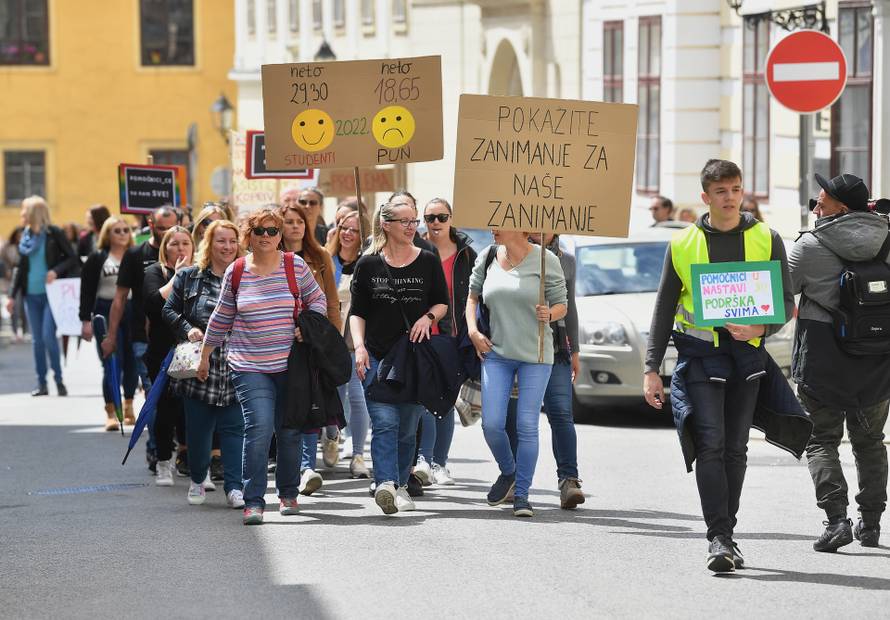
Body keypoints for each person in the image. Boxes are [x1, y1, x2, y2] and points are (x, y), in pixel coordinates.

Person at [643, 159, 804, 573]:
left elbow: (786, 302)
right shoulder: (683, 243)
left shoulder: (766, 238)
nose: (730, 198)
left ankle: (726, 533)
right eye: (721, 191)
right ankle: (718, 536)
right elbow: (663, 308)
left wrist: (759, 326)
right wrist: (651, 368)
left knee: (735, 448)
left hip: (747, 360)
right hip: (700, 358)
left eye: (735, 189)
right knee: (710, 444)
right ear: (705, 197)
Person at [201, 207, 327, 525]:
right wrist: (204, 355)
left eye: (273, 231)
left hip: (291, 365)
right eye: (261, 231)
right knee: (258, 429)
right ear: (250, 236)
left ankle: (287, 494)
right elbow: (221, 317)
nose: (267, 237)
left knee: (289, 432)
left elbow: (318, 300)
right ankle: (254, 501)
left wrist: (308, 326)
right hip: (248, 364)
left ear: (280, 235)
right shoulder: (238, 271)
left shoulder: (294, 265)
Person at [789, 172, 890, 551]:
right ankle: (872, 525)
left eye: (822, 202)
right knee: (870, 442)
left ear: (841, 209)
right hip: (877, 361)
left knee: (820, 441)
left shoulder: (809, 246)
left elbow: (781, 295)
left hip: (823, 363)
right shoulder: (888, 239)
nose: (815, 207)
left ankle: (836, 521)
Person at [350, 200, 449, 515]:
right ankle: (386, 484)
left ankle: (402, 484)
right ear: (386, 225)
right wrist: (360, 347)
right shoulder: (368, 265)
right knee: (385, 421)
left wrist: (428, 318)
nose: (412, 227)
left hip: (415, 357)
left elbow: (442, 303)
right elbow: (357, 312)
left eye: (414, 221)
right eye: (405, 221)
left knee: (408, 425)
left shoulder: (428, 261)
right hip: (378, 355)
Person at [465, 229, 567, 518]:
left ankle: (522, 494)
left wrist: (551, 313)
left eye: (499, 222)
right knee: (492, 424)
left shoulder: (546, 260)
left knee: (526, 425)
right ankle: (508, 471)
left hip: (535, 355)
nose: (492, 228)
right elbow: (472, 298)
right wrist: (473, 331)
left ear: (521, 227)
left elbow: (563, 304)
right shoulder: (487, 257)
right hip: (497, 353)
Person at [164, 220, 246, 508]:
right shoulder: (189, 276)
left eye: (232, 241)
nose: (227, 247)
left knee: (235, 428)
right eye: (221, 241)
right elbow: (168, 309)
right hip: (202, 361)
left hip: (238, 361)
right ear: (209, 244)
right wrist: (188, 329)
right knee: (199, 429)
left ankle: (235, 487)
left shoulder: (246, 275)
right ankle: (198, 479)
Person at [505, 233, 583, 509]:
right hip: (517, 346)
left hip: (556, 347)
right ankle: (514, 479)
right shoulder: (507, 253)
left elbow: (570, 307)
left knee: (561, 412)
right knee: (518, 416)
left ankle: (569, 479)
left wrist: (575, 350)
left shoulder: (567, 261)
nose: (540, 227)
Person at [101, 206, 179, 471]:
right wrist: (111, 335)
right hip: (142, 336)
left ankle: (170, 448)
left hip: (179, 338)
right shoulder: (136, 254)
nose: (167, 234)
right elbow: (120, 297)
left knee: (174, 400)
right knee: (154, 394)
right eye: (161, 228)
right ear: (149, 223)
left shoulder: (187, 252)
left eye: (172, 227)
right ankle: (158, 451)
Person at [414, 197, 477, 486]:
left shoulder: (467, 254)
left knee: (446, 401)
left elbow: (477, 297)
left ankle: (440, 463)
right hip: (422, 334)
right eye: (430, 218)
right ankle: (424, 460)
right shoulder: (415, 249)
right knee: (425, 400)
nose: (436, 223)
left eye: (441, 217)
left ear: (452, 218)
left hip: (453, 335)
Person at [279, 202, 341, 494]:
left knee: (312, 401)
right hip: (277, 342)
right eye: (288, 221)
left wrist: (332, 338)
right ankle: (298, 466)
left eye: (299, 222)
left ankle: (307, 466)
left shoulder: (320, 257)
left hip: (312, 341)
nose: (294, 227)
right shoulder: (268, 258)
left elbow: (330, 301)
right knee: (292, 407)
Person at [7, 196, 78, 396]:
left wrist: (55, 270)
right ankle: (42, 383)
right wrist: (12, 297)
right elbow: (19, 269)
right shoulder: (26, 235)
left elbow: (72, 258)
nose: (21, 214)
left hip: (52, 294)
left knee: (48, 336)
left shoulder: (54, 233)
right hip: (30, 295)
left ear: (34, 213)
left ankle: (59, 380)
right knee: (37, 340)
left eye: (24, 210)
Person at [144, 226, 194, 486]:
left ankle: (195, 463)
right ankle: (163, 461)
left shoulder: (202, 273)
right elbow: (152, 304)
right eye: (174, 244)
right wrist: (177, 277)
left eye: (185, 243)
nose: (180, 248)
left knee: (193, 409)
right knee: (166, 408)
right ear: (165, 248)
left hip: (194, 351)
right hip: (163, 353)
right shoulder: (154, 272)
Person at [325, 202, 372, 478]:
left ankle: (358, 455)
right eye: (344, 228)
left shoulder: (368, 262)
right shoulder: (326, 259)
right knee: (333, 397)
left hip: (357, 341)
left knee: (358, 398)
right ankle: (331, 437)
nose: (348, 233)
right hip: (330, 340)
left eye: (355, 230)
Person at [79, 216, 138, 430]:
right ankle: (111, 411)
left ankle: (129, 404)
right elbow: (86, 291)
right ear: (107, 234)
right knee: (112, 361)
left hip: (131, 310)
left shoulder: (135, 255)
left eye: (125, 230)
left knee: (132, 362)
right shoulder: (97, 257)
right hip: (104, 310)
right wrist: (85, 320)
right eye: (117, 231)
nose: (123, 234)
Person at [2, 226, 28, 341]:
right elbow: (3, 262)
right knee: (15, 306)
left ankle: (25, 331)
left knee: (24, 308)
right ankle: (14, 331)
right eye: (18, 235)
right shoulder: (8, 248)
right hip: (12, 280)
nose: (20, 237)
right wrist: (6, 270)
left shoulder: (28, 247)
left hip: (25, 281)